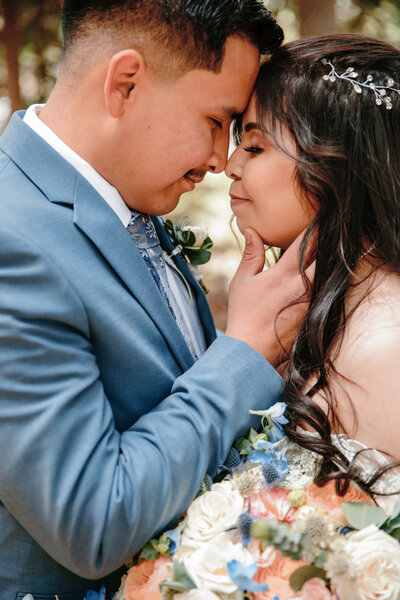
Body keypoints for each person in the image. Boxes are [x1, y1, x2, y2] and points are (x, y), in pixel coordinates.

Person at [0, 1, 312, 598]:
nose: (222, 161)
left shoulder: (128, 194)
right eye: (216, 119)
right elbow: (93, 522)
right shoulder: (13, 242)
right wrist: (243, 350)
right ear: (126, 83)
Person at [226, 33, 400, 499]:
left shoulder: (386, 348)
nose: (230, 165)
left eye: (255, 147)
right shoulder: (319, 306)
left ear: (336, 168)